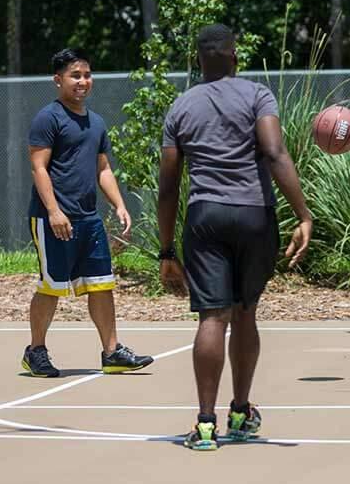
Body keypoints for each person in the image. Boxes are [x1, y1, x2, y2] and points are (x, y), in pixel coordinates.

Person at [158, 24, 312, 451]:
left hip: (205, 216)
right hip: (254, 214)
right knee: (245, 312)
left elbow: (168, 185)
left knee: (213, 317)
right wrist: (303, 213)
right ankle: (241, 412)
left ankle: (205, 425)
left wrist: (167, 249)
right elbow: (275, 152)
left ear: (199, 60)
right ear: (234, 56)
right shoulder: (257, 95)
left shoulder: (181, 107)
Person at [21, 49, 153, 378]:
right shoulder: (48, 118)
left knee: (101, 285)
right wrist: (53, 211)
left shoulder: (96, 122)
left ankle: (112, 353)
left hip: (89, 219)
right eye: (75, 75)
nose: (82, 81)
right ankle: (35, 351)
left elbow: (104, 169)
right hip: (52, 219)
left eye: (87, 75)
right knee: (51, 287)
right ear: (58, 80)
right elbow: (38, 168)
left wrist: (119, 205)